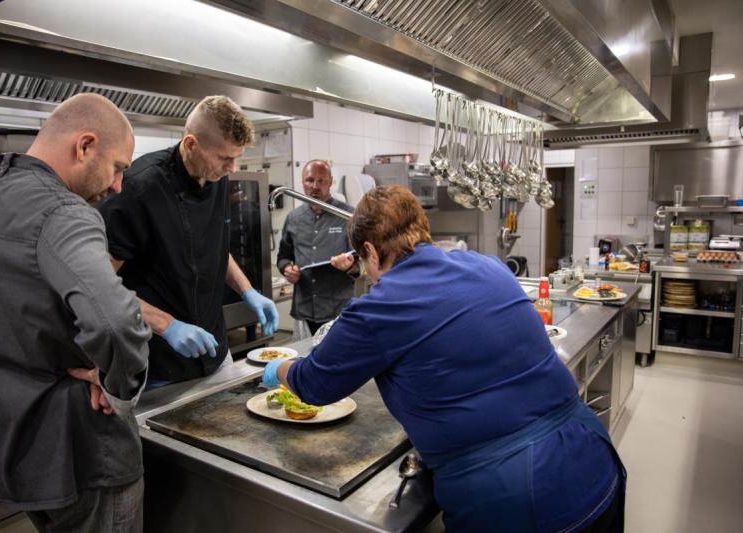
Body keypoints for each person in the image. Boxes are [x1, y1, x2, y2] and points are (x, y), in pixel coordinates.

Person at [263, 185, 626, 532]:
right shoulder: (490, 266)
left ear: (371, 252)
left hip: (518, 497)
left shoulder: (379, 309)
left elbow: (314, 383)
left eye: (362, 259)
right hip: (593, 455)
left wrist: (279, 369)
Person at [0, 93, 152, 532]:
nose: (117, 186)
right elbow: (115, 321)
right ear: (85, 146)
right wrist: (118, 388)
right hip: (85, 454)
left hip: (15, 452)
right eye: (118, 168)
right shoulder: (64, 213)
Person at [99, 95, 278, 389]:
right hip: (158, 365)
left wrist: (248, 291)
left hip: (216, 353)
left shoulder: (217, 179)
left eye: (237, 157)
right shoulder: (138, 189)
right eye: (224, 158)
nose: (232, 168)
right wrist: (167, 326)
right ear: (191, 144)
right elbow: (99, 285)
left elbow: (214, 247)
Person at [277, 159, 359, 337]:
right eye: (310, 180)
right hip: (304, 309)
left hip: (338, 311)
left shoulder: (348, 216)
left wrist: (349, 266)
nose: (315, 186)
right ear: (302, 182)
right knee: (303, 360)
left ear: (330, 182)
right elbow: (283, 256)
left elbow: (363, 264)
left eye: (321, 180)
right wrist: (287, 269)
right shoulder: (294, 218)